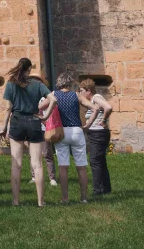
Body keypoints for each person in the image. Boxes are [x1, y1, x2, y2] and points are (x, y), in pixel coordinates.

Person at [0, 58, 56, 207]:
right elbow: (53, 99)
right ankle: (40, 202)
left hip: (17, 121)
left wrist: (4, 127)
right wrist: (46, 116)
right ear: (29, 69)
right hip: (34, 121)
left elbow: (8, 108)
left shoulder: (11, 83)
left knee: (16, 163)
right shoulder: (37, 84)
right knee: (37, 164)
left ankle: (16, 201)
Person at [53, 73, 94, 203]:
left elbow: (40, 107)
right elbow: (95, 108)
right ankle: (83, 198)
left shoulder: (54, 95)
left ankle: (65, 198)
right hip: (77, 130)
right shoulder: (76, 95)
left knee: (63, 166)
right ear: (70, 83)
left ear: (59, 83)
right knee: (81, 166)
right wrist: (88, 125)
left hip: (61, 131)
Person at [79, 79, 113, 196]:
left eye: (82, 90)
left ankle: (98, 190)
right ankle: (106, 188)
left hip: (99, 133)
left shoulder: (96, 98)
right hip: (97, 133)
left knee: (95, 161)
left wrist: (103, 120)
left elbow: (108, 107)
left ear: (89, 90)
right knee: (100, 161)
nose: (81, 93)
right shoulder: (93, 100)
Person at [29, 96, 58, 186]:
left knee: (47, 153)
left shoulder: (47, 98)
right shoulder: (30, 97)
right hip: (33, 128)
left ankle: (52, 178)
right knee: (33, 155)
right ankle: (34, 176)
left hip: (45, 128)